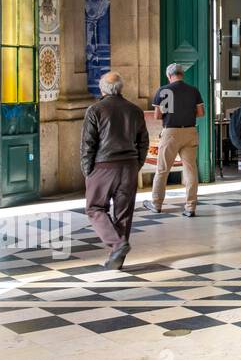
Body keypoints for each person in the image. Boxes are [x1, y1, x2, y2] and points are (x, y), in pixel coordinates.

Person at [81, 72, 149, 271]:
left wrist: (88, 171)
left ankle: (118, 245)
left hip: (103, 166)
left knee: (94, 208)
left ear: (102, 89)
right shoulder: (135, 110)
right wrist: (137, 164)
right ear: (121, 88)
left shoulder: (95, 110)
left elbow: (87, 144)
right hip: (129, 166)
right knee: (123, 214)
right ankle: (116, 259)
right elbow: (143, 141)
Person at [146, 63, 204, 216]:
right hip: (190, 131)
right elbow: (201, 112)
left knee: (162, 169)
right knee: (190, 170)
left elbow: (158, 116)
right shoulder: (193, 90)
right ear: (182, 74)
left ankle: (156, 203)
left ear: (169, 75)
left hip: (171, 132)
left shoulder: (164, 90)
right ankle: (191, 207)